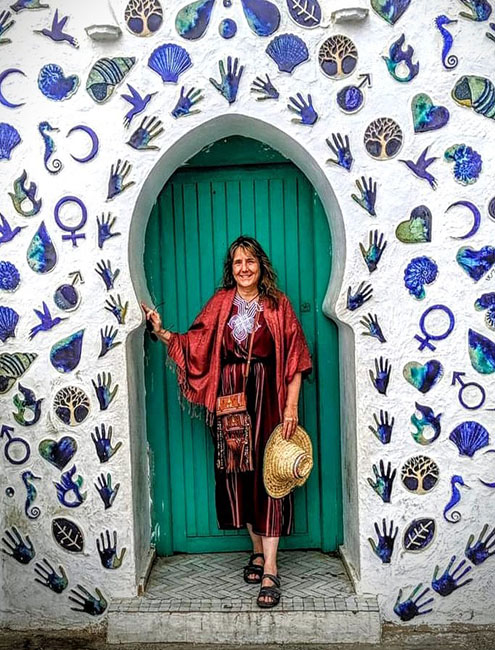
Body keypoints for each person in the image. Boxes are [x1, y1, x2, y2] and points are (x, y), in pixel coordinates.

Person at [141, 235, 312, 608]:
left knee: (270, 478)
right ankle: (255, 549)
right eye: (237, 262)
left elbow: (296, 360)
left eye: (250, 261)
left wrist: (291, 408)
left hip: (269, 398)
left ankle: (270, 569)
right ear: (231, 269)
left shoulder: (278, 305)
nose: (244, 268)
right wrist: (161, 331)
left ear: (261, 266)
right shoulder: (221, 304)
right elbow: (196, 344)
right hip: (231, 400)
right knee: (240, 477)